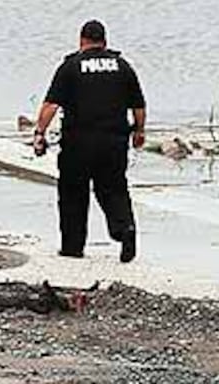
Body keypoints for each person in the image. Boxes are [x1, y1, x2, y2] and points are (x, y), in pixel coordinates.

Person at [30, 19, 146, 263]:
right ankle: (125, 229)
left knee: (73, 194)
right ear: (105, 41)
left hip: (77, 144)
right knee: (114, 189)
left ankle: (73, 248)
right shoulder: (122, 66)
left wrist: (40, 133)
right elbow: (138, 105)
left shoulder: (71, 66)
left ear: (82, 40)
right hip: (113, 143)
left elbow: (51, 105)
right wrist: (139, 132)